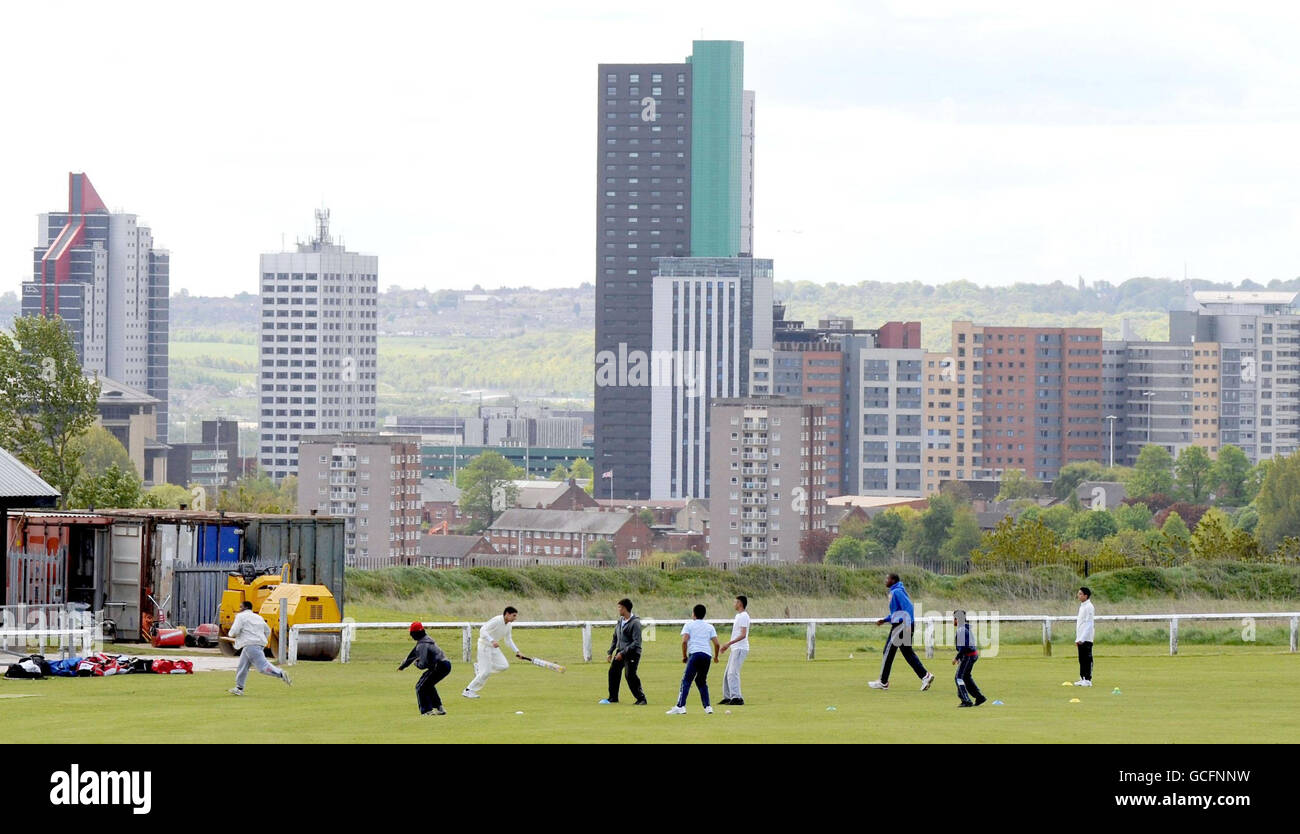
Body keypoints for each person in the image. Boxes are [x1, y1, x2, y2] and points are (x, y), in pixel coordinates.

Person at [867, 573, 934, 692]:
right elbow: (898, 611)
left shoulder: (897, 592)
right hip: (904, 624)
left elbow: (908, 608)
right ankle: (925, 676)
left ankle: (883, 682)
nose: (885, 581)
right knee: (907, 652)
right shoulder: (897, 591)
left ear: (893, 580)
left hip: (902, 626)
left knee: (888, 651)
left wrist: (907, 625)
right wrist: (885, 620)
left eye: (887, 579)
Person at [227, 601, 291, 695]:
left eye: (241, 607)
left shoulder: (240, 616)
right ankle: (239, 688)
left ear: (245, 608)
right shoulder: (258, 617)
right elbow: (268, 630)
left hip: (250, 644)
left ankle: (280, 673)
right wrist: (261, 640)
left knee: (262, 667)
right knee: (242, 666)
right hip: (257, 644)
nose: (239, 609)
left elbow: (234, 631)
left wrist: (230, 635)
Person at [667, 604, 719, 715]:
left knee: (686, 681)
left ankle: (680, 706)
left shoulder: (689, 625)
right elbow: (717, 643)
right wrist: (716, 656)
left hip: (695, 654)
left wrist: (684, 656)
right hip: (706, 655)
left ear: (693, 614)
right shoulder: (710, 627)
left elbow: (684, 641)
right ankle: (708, 707)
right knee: (701, 681)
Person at [463, 606, 520, 698]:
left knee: (504, 666)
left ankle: (480, 666)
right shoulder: (497, 620)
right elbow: (482, 630)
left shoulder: (509, 625)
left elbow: (508, 640)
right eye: (514, 616)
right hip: (484, 645)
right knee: (486, 672)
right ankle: (468, 690)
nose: (515, 618)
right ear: (507, 614)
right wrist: (491, 640)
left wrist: (517, 651)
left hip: (494, 648)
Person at [398, 621, 452, 716]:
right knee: (428, 685)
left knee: (420, 686)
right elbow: (412, 655)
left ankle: (427, 711)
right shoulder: (426, 640)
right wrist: (403, 666)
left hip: (439, 666)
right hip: (445, 664)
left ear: (414, 634)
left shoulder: (422, 644)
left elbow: (423, 664)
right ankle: (440, 708)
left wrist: (416, 663)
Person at [601, 598, 646, 705]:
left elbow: (636, 642)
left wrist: (623, 653)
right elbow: (615, 637)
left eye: (620, 607)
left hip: (632, 653)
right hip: (620, 651)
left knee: (630, 675)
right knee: (613, 672)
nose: (618, 609)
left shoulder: (635, 623)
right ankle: (613, 697)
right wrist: (610, 652)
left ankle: (641, 698)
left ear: (625, 608)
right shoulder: (620, 621)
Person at [718, 595, 750, 706]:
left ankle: (737, 697)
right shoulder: (738, 616)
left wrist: (728, 643)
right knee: (727, 673)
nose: (734, 604)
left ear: (740, 603)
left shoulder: (744, 616)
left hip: (740, 648)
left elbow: (743, 634)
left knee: (733, 672)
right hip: (735, 648)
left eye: (735, 602)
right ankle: (728, 697)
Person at [952, 610, 986, 708]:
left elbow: (965, 646)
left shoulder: (961, 629)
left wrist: (957, 657)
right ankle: (979, 697)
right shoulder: (965, 628)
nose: (953, 621)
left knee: (958, 677)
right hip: (972, 655)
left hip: (968, 656)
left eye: (954, 619)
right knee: (966, 677)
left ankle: (966, 700)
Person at [1074, 587, 1095, 687]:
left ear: (1085, 596)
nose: (1078, 596)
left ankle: (1088, 679)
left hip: (1086, 638)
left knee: (1087, 658)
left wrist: (1082, 638)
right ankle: (1082, 678)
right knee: (1081, 659)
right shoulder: (1082, 606)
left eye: (1080, 594)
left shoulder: (1089, 607)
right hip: (1080, 637)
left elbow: (1089, 624)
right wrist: (1078, 638)